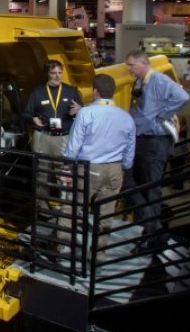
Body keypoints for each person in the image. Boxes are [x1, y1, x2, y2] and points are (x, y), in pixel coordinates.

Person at [56, 74, 136, 262]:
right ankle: (98, 254)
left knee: (72, 208)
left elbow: (74, 146)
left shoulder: (86, 113)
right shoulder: (126, 117)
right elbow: (129, 152)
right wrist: (123, 166)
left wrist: (67, 165)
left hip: (89, 168)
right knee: (105, 215)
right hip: (115, 170)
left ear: (95, 91)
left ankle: (62, 248)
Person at [124, 50, 190, 253]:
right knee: (136, 186)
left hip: (153, 142)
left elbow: (183, 96)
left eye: (131, 65)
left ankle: (154, 235)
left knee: (148, 189)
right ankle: (154, 232)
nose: (129, 69)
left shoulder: (158, 80)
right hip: (144, 141)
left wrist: (163, 114)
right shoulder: (142, 82)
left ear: (143, 64)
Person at [22, 59, 83, 213]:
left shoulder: (71, 91)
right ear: (47, 74)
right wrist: (32, 119)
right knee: (41, 173)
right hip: (43, 136)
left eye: (59, 73)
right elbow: (26, 113)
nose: (57, 76)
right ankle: (42, 207)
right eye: (53, 73)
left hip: (63, 137)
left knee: (64, 173)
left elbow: (83, 112)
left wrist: (80, 109)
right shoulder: (37, 92)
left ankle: (66, 207)